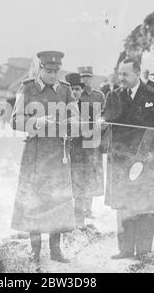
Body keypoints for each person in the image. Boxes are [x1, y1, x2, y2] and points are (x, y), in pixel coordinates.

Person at [11, 51, 79, 263]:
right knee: (35, 199)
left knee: (57, 199)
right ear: (40, 68)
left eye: (55, 71)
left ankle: (56, 250)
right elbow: (15, 121)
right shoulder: (28, 87)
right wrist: (37, 122)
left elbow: (76, 118)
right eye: (48, 70)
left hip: (58, 153)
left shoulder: (66, 90)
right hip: (35, 153)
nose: (52, 74)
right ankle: (35, 250)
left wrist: (70, 125)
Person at [103, 58, 154, 260]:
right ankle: (126, 249)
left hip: (145, 159)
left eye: (125, 74)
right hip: (121, 160)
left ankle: (145, 250)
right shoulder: (113, 95)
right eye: (120, 74)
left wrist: (150, 152)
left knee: (145, 205)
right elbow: (107, 121)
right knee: (123, 205)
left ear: (137, 73)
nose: (121, 78)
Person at [77, 66, 105, 219]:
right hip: (77, 139)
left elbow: (106, 113)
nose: (85, 80)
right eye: (83, 77)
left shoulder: (99, 96)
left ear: (92, 78)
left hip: (93, 140)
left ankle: (88, 208)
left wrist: (103, 119)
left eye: (88, 76)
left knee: (91, 173)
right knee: (77, 171)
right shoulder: (74, 95)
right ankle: (79, 207)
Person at [65, 72, 88, 228]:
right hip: (63, 153)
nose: (74, 92)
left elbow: (93, 132)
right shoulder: (61, 107)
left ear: (82, 90)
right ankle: (65, 221)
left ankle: (80, 221)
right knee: (64, 187)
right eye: (71, 89)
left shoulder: (89, 108)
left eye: (77, 89)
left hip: (81, 153)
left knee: (79, 188)